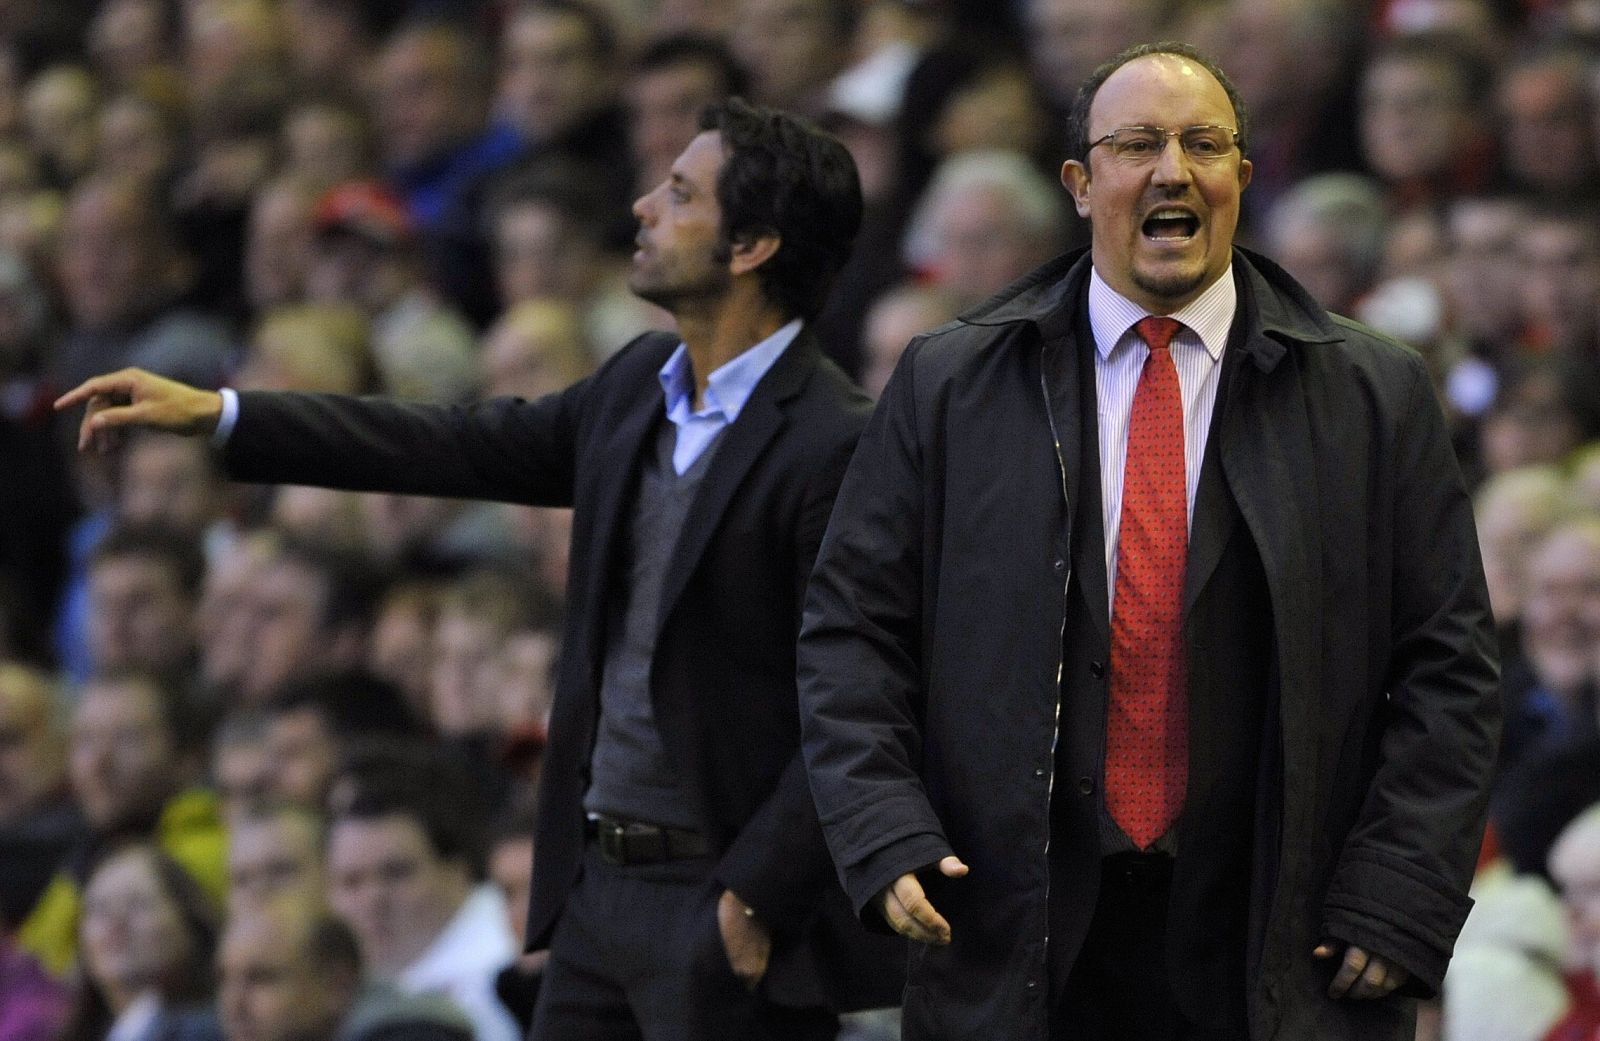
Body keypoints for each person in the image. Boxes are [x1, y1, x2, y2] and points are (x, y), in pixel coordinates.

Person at [57, 99, 902, 1039]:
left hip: (722, 904)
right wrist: (222, 414)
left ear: (750, 246)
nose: (641, 207)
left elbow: (860, 704)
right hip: (598, 889)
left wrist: (755, 895)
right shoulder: (637, 384)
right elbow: (451, 445)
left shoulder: (838, 443)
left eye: (678, 193)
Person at [797, 43, 1500, 1040]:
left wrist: (1399, 892)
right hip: (1007, 929)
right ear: (1080, 185)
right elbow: (850, 631)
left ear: (1241, 181)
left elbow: (1449, 670)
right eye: (1137, 145)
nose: (1172, 170)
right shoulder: (948, 384)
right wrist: (880, 830)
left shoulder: (1371, 394)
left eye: (1202, 145)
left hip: (1280, 944)